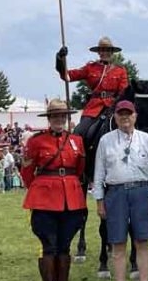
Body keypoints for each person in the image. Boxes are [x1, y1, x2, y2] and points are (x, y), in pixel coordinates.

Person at [93, 100, 148, 281]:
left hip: (141, 191)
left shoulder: (147, 139)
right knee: (118, 243)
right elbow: (98, 173)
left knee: (142, 241)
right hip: (115, 193)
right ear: (115, 116)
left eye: (128, 114)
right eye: (121, 114)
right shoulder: (105, 141)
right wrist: (99, 201)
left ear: (135, 116)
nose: (125, 117)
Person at [21, 99, 86, 281]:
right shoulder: (36, 141)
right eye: (55, 116)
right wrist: (40, 188)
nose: (59, 119)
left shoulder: (76, 140)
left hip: (71, 199)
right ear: (49, 119)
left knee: (65, 246)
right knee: (49, 245)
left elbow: (80, 168)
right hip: (45, 199)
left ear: (67, 118)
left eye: (63, 116)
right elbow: (27, 171)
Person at [55, 36, 129, 176]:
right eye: (102, 50)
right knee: (78, 133)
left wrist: (117, 106)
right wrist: (60, 59)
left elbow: (123, 92)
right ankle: (78, 169)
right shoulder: (90, 68)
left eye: (107, 50)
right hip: (93, 109)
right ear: (98, 52)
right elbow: (67, 76)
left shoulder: (120, 70)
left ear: (112, 52)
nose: (104, 53)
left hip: (113, 108)